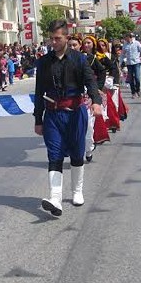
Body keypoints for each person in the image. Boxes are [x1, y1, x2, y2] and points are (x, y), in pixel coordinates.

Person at [34, 20, 103, 216]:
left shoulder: (79, 59)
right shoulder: (44, 62)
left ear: (67, 37)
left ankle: (77, 191)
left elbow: (90, 81)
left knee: (76, 152)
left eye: (58, 38)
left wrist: (96, 101)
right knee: (54, 154)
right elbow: (39, 92)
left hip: (75, 113)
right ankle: (55, 198)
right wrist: (38, 119)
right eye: (51, 38)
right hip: (53, 116)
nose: (53, 42)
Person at [121, 32, 141, 99]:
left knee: (137, 78)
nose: (125, 39)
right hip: (129, 64)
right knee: (131, 79)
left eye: (126, 37)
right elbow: (122, 55)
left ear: (129, 37)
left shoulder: (136, 43)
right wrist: (120, 63)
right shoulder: (125, 45)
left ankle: (138, 89)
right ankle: (133, 92)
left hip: (136, 63)